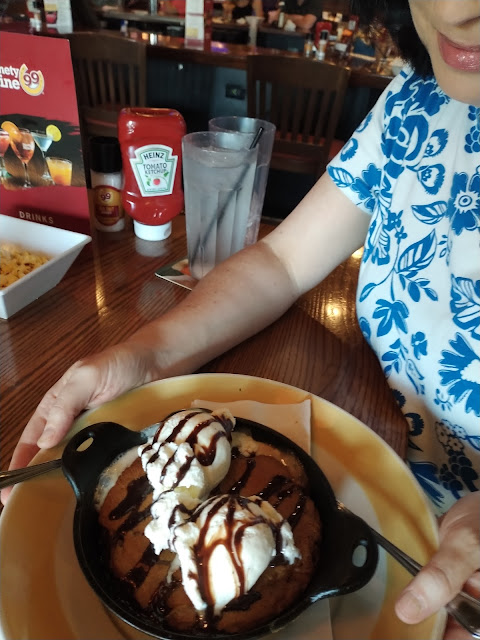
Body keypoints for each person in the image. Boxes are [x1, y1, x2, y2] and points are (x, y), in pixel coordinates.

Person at [3, 0, 480, 636]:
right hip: (379, 476)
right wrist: (146, 354)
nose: (452, 9)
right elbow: (282, 262)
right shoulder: (416, 102)